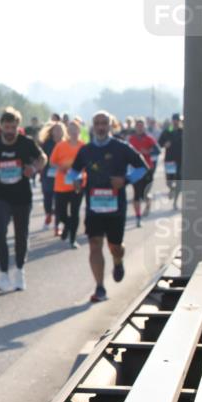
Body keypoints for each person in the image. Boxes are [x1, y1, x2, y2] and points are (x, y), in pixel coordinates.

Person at [70, 111, 148, 303]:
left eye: (104, 123)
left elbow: (143, 168)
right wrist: (77, 180)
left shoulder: (121, 147)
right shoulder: (86, 150)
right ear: (93, 126)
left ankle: (118, 260)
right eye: (97, 123)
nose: (101, 127)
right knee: (95, 245)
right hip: (94, 207)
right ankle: (100, 287)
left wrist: (126, 180)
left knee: (115, 246)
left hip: (116, 207)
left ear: (110, 125)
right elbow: (72, 173)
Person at [0, 108, 46, 291]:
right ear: (1, 126)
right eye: (7, 126)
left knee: (21, 234)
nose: (10, 130)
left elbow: (43, 157)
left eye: (13, 126)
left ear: (18, 126)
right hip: (2, 195)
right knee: (0, 233)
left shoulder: (25, 143)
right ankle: (3, 274)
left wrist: (34, 169)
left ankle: (19, 271)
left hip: (22, 196)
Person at [50, 120, 86, 249]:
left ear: (79, 131)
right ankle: (68, 226)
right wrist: (61, 167)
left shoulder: (83, 146)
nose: (73, 132)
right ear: (67, 132)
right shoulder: (60, 146)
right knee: (61, 212)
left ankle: (73, 239)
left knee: (75, 212)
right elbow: (52, 162)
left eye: (75, 129)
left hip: (77, 184)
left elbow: (88, 164)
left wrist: (79, 171)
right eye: (70, 130)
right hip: (61, 185)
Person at [127, 117, 158, 227]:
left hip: (147, 169)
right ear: (135, 127)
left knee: (145, 194)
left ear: (144, 127)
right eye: (138, 126)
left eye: (141, 126)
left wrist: (148, 151)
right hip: (135, 170)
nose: (140, 128)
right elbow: (126, 153)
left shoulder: (149, 138)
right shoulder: (131, 139)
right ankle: (138, 217)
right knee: (136, 195)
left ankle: (148, 202)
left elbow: (157, 150)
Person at [38, 121, 64, 232]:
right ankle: (48, 214)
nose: (58, 132)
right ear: (51, 132)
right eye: (56, 130)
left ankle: (57, 225)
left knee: (59, 201)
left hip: (62, 176)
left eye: (60, 130)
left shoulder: (66, 144)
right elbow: (40, 158)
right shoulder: (46, 144)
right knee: (47, 198)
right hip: (47, 175)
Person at [158, 113, 183, 209]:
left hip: (181, 160)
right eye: (175, 120)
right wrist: (164, 144)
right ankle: (171, 189)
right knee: (169, 181)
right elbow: (159, 144)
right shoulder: (167, 131)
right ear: (172, 121)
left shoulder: (183, 131)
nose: (176, 122)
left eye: (178, 120)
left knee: (179, 181)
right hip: (170, 160)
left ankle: (175, 202)